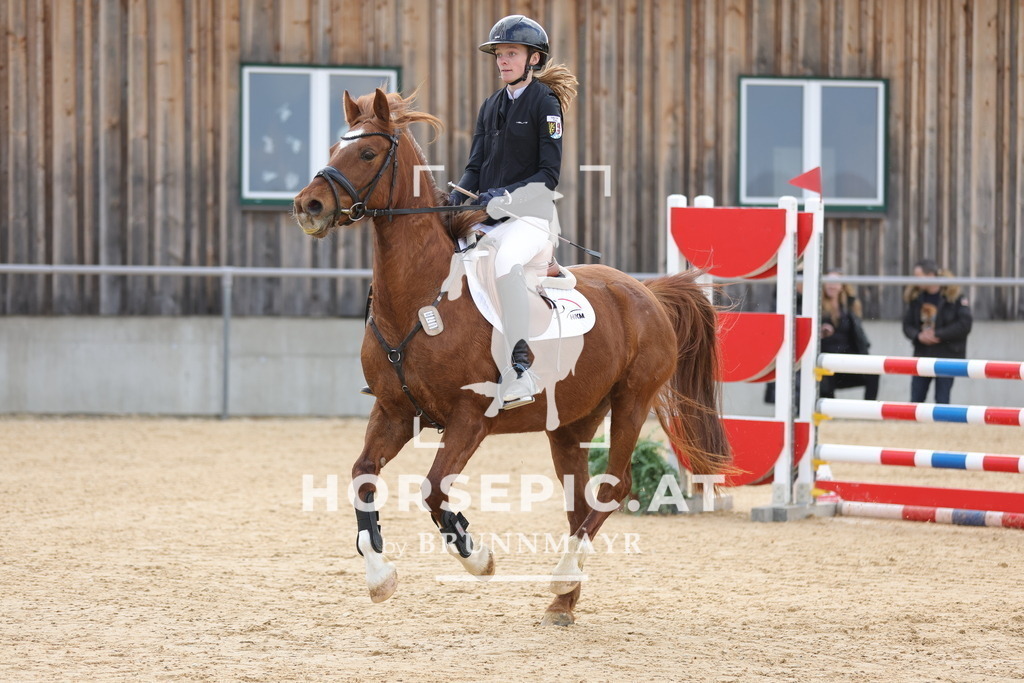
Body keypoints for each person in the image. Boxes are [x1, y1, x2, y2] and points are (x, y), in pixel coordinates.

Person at [449, 15, 578, 410]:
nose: (503, 61)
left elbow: (548, 175)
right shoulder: (491, 106)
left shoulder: (546, 104)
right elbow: (475, 165)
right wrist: (457, 199)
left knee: (505, 263)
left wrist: (506, 196)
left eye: (511, 53)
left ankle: (521, 368)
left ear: (533, 59)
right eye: (499, 54)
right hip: (489, 215)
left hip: (531, 219)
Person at [902, 259, 972, 404]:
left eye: (918, 276)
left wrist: (938, 334)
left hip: (947, 355)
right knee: (916, 400)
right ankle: (914, 428)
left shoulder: (954, 296)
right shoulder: (916, 298)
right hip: (922, 354)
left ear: (931, 275)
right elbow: (907, 325)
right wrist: (918, 336)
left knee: (942, 399)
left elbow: (965, 324)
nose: (915, 280)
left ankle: (942, 427)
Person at [818, 270, 878, 400]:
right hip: (826, 358)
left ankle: (868, 412)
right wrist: (820, 331)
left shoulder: (850, 307)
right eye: (828, 282)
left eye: (835, 283)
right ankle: (829, 414)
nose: (831, 286)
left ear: (842, 286)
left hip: (847, 358)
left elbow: (858, 336)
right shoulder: (817, 305)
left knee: (873, 373)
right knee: (825, 376)